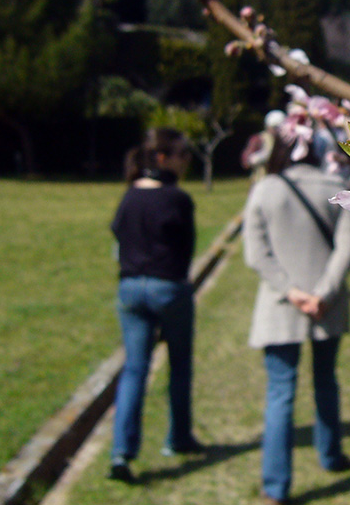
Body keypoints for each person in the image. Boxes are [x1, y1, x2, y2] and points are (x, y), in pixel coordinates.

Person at [243, 130, 350, 505]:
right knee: (326, 381)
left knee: (280, 392)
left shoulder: (265, 189)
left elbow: (256, 252)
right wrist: (323, 292)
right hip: (328, 304)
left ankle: (275, 487)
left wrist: (290, 292)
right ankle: (332, 455)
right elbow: (346, 248)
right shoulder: (337, 187)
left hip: (281, 304)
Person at [108, 127, 202, 483]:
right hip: (169, 288)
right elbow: (186, 248)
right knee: (179, 367)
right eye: (182, 155)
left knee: (134, 369)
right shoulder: (176, 198)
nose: (186, 162)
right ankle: (179, 437)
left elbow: (117, 233)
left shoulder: (129, 196)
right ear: (163, 158)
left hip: (131, 289)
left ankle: (121, 452)